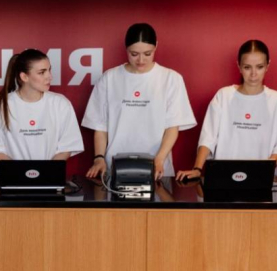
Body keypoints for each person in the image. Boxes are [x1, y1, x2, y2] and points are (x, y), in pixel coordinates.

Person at [83, 23, 196, 182]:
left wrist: (159, 159)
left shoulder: (171, 78)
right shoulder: (110, 78)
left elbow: (172, 127)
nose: (141, 60)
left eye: (147, 53)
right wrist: (99, 158)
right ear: (126, 49)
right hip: (115, 167)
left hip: (157, 168)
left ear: (156, 46)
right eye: (134, 54)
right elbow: (100, 126)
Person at [176, 39, 277, 182]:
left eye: (259, 67)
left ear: (267, 66)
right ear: (239, 66)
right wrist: (197, 169)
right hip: (223, 178)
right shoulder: (223, 96)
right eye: (247, 67)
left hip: (262, 181)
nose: (253, 74)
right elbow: (208, 138)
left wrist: (259, 171)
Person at [0, 49, 83, 162]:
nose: (49, 77)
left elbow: (66, 146)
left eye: (49, 70)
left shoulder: (61, 104)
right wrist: (18, 170)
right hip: (12, 174)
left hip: (49, 174)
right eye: (41, 72)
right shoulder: (1, 105)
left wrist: (46, 170)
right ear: (24, 77)